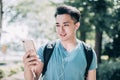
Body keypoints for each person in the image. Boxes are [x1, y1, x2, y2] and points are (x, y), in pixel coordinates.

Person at [23, 5, 97, 80]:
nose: (61, 30)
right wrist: (27, 68)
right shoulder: (46, 50)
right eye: (58, 25)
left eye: (65, 25)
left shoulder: (88, 53)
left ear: (76, 25)